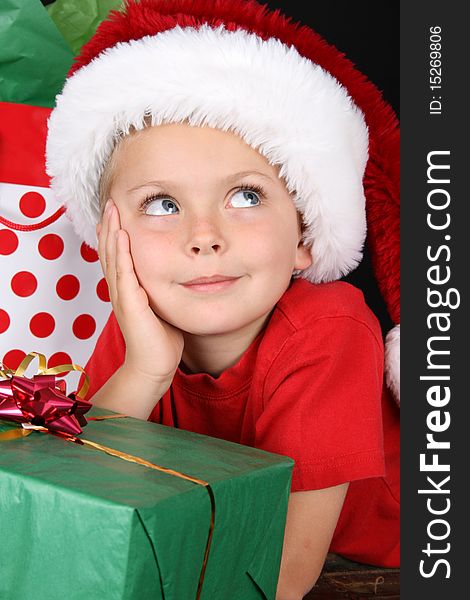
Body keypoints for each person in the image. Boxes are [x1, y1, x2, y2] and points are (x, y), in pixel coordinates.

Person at [45, 1, 400, 598]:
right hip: (226, 551)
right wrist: (144, 369)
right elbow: (73, 509)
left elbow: (280, 577)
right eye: (162, 203)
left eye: (245, 195)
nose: (204, 236)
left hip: (382, 561)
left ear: (305, 235)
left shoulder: (329, 327)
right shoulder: (142, 330)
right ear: (112, 239)